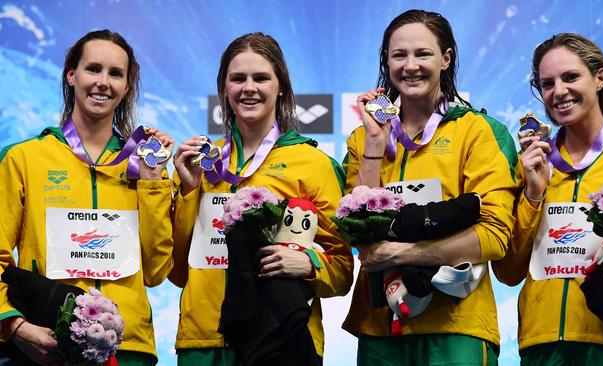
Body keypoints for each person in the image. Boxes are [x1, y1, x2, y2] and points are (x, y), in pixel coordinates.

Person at [342, 9, 518, 365]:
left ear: (446, 59)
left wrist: (405, 254)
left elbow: (496, 236)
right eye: (399, 55)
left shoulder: (480, 131)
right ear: (386, 62)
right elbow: (353, 226)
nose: (411, 65)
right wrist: (375, 145)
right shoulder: (363, 139)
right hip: (379, 329)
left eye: (422, 53)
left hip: (456, 327)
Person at [168, 32, 353, 365]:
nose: (248, 88)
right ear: (224, 88)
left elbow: (342, 268)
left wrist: (310, 264)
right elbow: (177, 270)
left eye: (261, 78)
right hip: (203, 340)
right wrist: (189, 190)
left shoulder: (314, 164)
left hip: (281, 339)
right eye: (238, 78)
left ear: (280, 85)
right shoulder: (201, 164)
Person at [0, 29, 175, 365]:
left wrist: (153, 181)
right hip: (48, 342)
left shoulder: (145, 164)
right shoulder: (23, 158)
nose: (103, 82)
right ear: (71, 75)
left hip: (129, 348)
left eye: (116, 74)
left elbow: (156, 271)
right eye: (93, 69)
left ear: (126, 87)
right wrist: (15, 325)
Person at [492, 33, 603, 364]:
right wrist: (533, 195)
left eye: (570, 77)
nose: (559, 91)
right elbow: (508, 271)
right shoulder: (533, 165)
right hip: (542, 345)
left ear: (600, 79)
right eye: (547, 83)